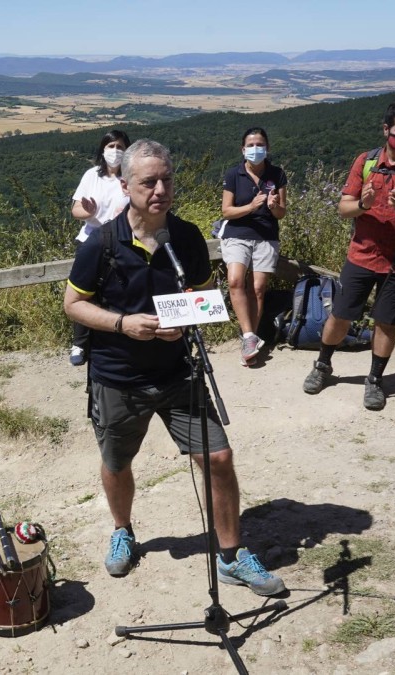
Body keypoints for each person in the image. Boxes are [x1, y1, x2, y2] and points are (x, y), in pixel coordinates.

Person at [63, 139, 284, 595]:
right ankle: (122, 529)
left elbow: (203, 301)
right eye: (148, 181)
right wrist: (124, 324)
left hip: (179, 370)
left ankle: (230, 556)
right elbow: (73, 305)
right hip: (118, 376)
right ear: (126, 186)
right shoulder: (102, 243)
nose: (160, 189)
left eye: (166, 179)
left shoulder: (185, 237)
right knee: (117, 462)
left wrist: (179, 322)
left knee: (218, 457)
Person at [302, 100, 395, 410]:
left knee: (386, 322)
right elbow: (344, 208)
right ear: (385, 129)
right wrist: (364, 204)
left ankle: (375, 380)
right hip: (362, 255)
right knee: (341, 315)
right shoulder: (365, 162)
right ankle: (323, 366)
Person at [220, 127, 289, 364]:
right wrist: (251, 206)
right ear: (242, 149)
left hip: (266, 236)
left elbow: (281, 213)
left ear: (267, 147)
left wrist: (272, 206)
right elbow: (226, 210)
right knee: (235, 280)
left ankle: (251, 337)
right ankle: (249, 336)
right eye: (250, 145)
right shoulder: (233, 174)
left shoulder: (277, 174)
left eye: (260, 144)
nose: (255, 149)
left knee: (258, 288)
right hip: (237, 233)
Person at [68, 130, 131, 366]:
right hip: (90, 240)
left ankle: (113, 339)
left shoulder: (131, 176)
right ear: (102, 150)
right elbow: (76, 210)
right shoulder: (91, 175)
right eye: (110, 145)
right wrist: (89, 212)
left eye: (120, 146)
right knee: (83, 293)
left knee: (117, 291)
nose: (115, 151)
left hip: (121, 241)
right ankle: (79, 344)